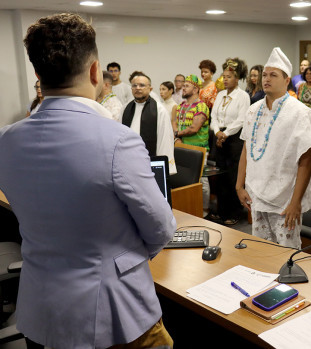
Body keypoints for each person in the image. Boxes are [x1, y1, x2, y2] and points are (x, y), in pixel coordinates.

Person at [0, 13, 175, 349]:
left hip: (39, 310)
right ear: (96, 71)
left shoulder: (7, 140)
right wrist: (121, 256)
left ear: (38, 74)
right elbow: (161, 229)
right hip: (112, 312)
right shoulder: (116, 140)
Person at [236, 47, 311, 249]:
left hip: (285, 201)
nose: (266, 79)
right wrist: (239, 185)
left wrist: (295, 202)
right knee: (261, 252)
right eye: (264, 75)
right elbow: (246, 149)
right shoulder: (253, 110)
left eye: (273, 75)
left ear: (286, 80)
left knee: (286, 255)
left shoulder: (300, 112)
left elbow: (306, 160)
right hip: (256, 194)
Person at [210, 57, 250, 225]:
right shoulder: (219, 95)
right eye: (224, 76)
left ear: (237, 78)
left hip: (234, 140)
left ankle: (235, 212)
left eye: (229, 77)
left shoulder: (243, 96)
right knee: (220, 175)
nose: (225, 79)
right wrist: (218, 132)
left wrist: (225, 134)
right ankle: (221, 211)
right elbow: (213, 116)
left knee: (233, 176)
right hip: (219, 138)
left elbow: (241, 120)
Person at [119, 71, 177, 174]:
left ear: (150, 89)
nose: (138, 88)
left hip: (149, 164)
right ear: (131, 89)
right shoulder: (125, 108)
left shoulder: (159, 110)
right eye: (134, 85)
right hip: (128, 162)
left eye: (142, 85)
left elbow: (165, 140)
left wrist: (161, 168)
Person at [174, 75, 211, 214]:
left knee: (202, 181)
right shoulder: (181, 106)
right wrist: (176, 138)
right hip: (182, 148)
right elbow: (175, 124)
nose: (183, 88)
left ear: (195, 89)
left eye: (186, 86)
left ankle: (205, 210)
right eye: (183, 86)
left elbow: (194, 128)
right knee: (185, 180)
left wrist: (177, 134)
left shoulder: (201, 106)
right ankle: (190, 208)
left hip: (199, 149)